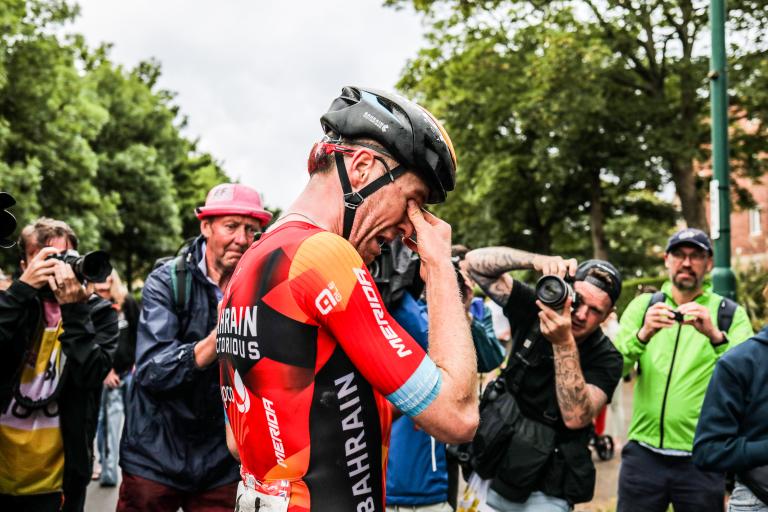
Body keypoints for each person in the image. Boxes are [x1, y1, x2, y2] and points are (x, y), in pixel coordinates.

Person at [218, 86, 479, 512]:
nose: (409, 230)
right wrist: (439, 265)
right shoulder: (323, 256)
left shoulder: (251, 261)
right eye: (412, 202)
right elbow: (459, 415)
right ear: (361, 168)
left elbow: (238, 440)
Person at [118, 183, 272, 512]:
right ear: (205, 227)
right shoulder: (166, 281)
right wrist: (220, 338)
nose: (242, 239)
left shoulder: (264, 287)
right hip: (153, 455)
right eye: (231, 227)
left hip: (221, 461)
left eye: (251, 230)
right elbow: (151, 371)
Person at [462, 247, 624, 511]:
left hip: (551, 483)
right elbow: (474, 265)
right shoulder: (536, 308)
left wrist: (563, 344)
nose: (582, 315)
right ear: (568, 290)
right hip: (495, 461)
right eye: (580, 301)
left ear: (608, 315)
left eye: (595, 310)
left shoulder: (608, 358)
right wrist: (537, 260)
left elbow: (577, 416)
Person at [614, 227, 754, 512]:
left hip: (701, 457)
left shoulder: (729, 313)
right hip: (643, 454)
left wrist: (716, 337)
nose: (686, 263)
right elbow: (613, 368)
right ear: (666, 259)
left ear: (709, 263)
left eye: (696, 256)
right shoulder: (644, 306)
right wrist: (642, 335)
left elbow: (749, 381)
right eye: (679, 254)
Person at [0, 218, 118, 511]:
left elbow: (92, 373)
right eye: (49, 259)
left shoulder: (97, 312)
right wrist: (21, 291)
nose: (59, 269)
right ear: (25, 261)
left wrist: (75, 311)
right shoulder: (11, 303)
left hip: (60, 480)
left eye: (67, 259)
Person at [385, 244, 504, 512]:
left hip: (446, 447)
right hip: (408, 466)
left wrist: (460, 312)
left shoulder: (474, 309)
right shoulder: (406, 307)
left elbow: (491, 358)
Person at [93, 270, 140, 487]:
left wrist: (137, 362)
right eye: (98, 287)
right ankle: (105, 465)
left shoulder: (127, 303)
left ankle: (132, 466)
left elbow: (139, 332)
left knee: (132, 421)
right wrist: (105, 371)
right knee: (104, 422)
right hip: (105, 375)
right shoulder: (93, 306)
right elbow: (92, 342)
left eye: (106, 285)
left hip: (128, 372)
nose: (102, 289)